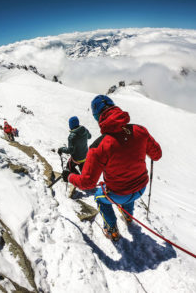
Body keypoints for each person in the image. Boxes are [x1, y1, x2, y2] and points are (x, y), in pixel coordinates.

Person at [62, 95, 162, 241]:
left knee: (99, 198)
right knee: (128, 191)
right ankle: (128, 216)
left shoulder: (99, 146)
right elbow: (157, 154)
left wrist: (69, 176)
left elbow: (87, 182)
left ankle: (111, 230)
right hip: (141, 188)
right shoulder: (140, 130)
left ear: (98, 117)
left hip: (118, 193)